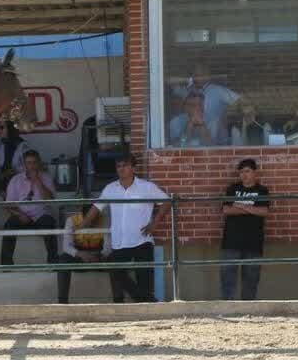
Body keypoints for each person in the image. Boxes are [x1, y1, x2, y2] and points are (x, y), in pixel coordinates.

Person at [81, 152, 169, 303]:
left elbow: (166, 202)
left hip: (142, 240)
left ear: (133, 168)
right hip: (120, 242)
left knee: (145, 281)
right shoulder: (110, 188)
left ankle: (146, 307)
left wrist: (154, 223)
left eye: (125, 166)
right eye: (118, 166)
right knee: (115, 270)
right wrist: (82, 225)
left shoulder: (146, 187)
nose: (121, 169)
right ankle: (146, 300)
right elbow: (96, 207)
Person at [219, 158, 271, 300]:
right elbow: (226, 210)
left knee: (251, 279)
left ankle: (248, 309)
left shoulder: (262, 190)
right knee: (228, 277)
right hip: (231, 241)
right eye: (241, 172)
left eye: (247, 171)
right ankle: (228, 307)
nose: (244, 175)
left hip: (253, 242)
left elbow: (264, 212)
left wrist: (241, 206)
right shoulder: (232, 189)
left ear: (255, 172)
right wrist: (252, 209)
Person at [0, 151, 58, 267]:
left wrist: (37, 180)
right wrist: (20, 214)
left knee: (49, 223)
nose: (32, 166)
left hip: (41, 216)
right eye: (28, 163)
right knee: (9, 225)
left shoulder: (46, 178)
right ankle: (6, 265)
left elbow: (49, 200)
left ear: (39, 163)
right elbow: (8, 204)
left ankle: (53, 263)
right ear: (24, 165)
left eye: (34, 162)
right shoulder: (16, 179)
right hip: (22, 216)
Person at [171, 62, 240, 144]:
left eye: (200, 105)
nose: (197, 108)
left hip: (218, 137)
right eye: (195, 74)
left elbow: (240, 102)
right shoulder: (187, 91)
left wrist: (226, 115)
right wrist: (189, 125)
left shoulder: (218, 91)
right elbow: (170, 81)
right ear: (185, 107)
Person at [56, 204, 111, 304]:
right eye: (89, 220)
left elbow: (108, 246)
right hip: (80, 256)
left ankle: (119, 299)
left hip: (98, 256)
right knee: (63, 260)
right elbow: (66, 247)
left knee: (117, 260)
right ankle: (62, 302)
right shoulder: (72, 220)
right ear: (83, 216)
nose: (92, 223)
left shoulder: (104, 220)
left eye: (94, 219)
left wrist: (99, 256)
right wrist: (80, 254)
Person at [0, 122, 32, 198]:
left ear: (10, 129)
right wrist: (2, 174)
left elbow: (27, 165)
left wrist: (14, 171)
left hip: (18, 176)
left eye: (2, 128)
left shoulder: (23, 145)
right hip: (0, 178)